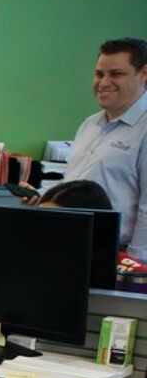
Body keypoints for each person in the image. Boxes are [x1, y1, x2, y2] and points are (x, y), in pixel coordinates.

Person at [62, 38, 147, 274]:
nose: (103, 83)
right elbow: (75, 182)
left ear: (143, 74)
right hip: (72, 246)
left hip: (118, 256)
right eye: (99, 74)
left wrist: (135, 268)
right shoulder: (90, 124)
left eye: (116, 74)